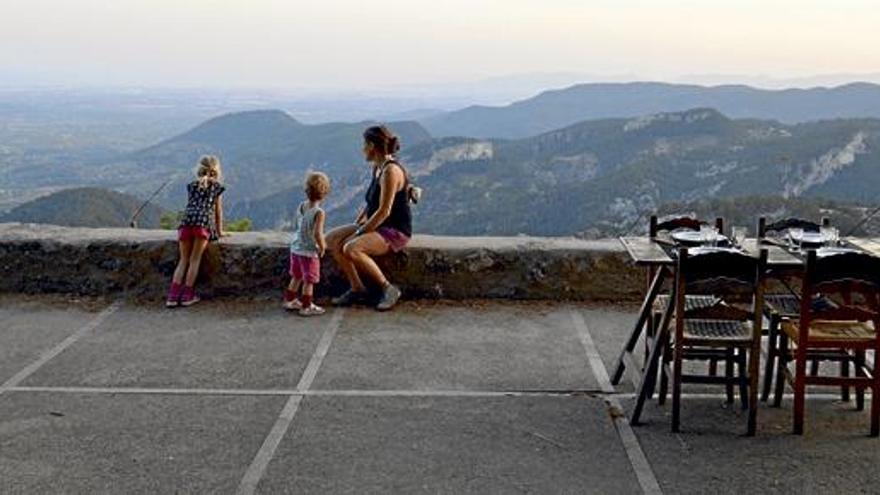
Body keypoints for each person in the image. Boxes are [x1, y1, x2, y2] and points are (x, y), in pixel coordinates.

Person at [325, 125, 412, 311]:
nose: (362, 148)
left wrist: (359, 232)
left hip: (394, 230)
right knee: (331, 239)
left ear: (372, 145)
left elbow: (384, 211)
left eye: (364, 144)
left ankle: (388, 288)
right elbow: (371, 204)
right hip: (377, 225)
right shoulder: (377, 168)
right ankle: (358, 289)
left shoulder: (390, 172)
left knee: (351, 248)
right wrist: (358, 223)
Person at [166, 155, 226, 307]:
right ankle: (187, 295)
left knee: (183, 260)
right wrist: (219, 231)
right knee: (194, 260)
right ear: (216, 171)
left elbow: (192, 206)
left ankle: (172, 296)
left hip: (186, 223)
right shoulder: (216, 187)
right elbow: (217, 212)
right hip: (202, 224)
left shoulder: (192, 186)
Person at [283, 172, 330, 316]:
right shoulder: (319, 212)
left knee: (296, 276)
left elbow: (298, 224)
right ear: (325, 193)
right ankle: (306, 306)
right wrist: (322, 246)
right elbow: (317, 233)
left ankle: (289, 300)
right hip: (309, 251)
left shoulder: (302, 206)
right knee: (309, 280)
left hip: (296, 247)